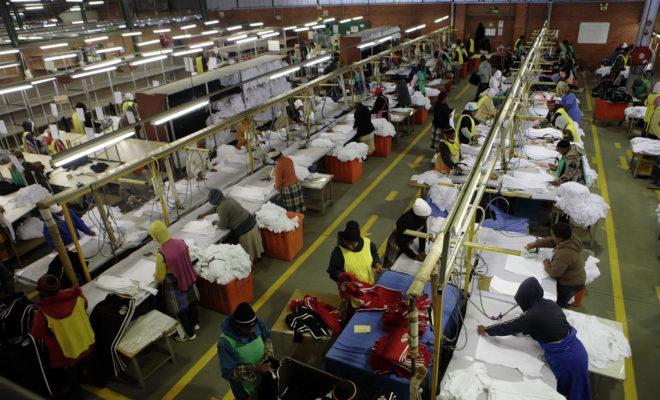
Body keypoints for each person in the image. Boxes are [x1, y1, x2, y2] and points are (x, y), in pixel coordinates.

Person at [477, 277, 591, 400]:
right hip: (576, 349)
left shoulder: (533, 316)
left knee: (572, 394)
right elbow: (540, 321)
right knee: (580, 390)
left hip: (567, 361)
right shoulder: (549, 303)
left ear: (526, 299)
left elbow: (510, 326)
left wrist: (487, 330)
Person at [31, 274, 95, 400]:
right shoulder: (77, 296)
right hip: (85, 340)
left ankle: (77, 395)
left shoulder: (42, 313)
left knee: (71, 376)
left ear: (43, 293)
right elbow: (85, 306)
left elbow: (37, 334)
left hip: (66, 353)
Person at [149, 221, 199, 341]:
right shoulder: (181, 243)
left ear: (155, 237)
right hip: (189, 278)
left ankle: (189, 334)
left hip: (176, 284)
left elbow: (160, 278)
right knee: (192, 303)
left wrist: (155, 274)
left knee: (181, 310)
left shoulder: (161, 255)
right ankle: (195, 324)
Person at [218, 302, 277, 400]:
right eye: (247, 329)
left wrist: (268, 352)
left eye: (253, 327)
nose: (252, 331)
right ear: (237, 327)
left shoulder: (256, 323)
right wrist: (254, 369)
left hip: (263, 379)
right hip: (245, 389)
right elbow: (229, 373)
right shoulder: (225, 343)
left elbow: (267, 338)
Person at [525, 223, 586, 307]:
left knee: (559, 302)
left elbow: (555, 273)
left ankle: (562, 308)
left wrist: (547, 264)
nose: (551, 236)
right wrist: (536, 243)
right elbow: (552, 241)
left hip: (570, 283)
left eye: (552, 235)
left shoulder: (565, 254)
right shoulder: (571, 238)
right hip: (578, 275)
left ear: (559, 238)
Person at [198, 190, 264, 261]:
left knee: (248, 252)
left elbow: (223, 225)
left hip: (245, 230)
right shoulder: (228, 199)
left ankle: (251, 265)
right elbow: (216, 208)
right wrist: (205, 214)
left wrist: (215, 222)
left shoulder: (222, 208)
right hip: (251, 222)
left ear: (214, 202)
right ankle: (258, 258)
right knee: (255, 245)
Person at [327, 220, 382, 285]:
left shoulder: (368, 244)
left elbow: (374, 255)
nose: (350, 246)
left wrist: (377, 263)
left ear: (358, 240)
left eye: (353, 243)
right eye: (347, 243)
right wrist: (343, 276)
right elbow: (333, 270)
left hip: (368, 287)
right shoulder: (339, 252)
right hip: (351, 290)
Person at [383, 198, 432, 268]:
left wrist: (422, 250)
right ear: (419, 215)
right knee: (392, 266)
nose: (427, 217)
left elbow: (423, 230)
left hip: (407, 238)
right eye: (425, 217)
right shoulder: (404, 222)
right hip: (397, 242)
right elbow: (401, 242)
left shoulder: (423, 217)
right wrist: (414, 256)